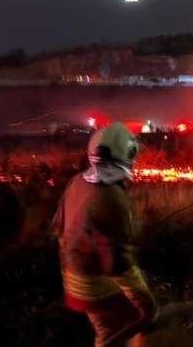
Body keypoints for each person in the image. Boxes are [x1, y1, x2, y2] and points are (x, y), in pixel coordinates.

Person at [51, 122, 157, 347]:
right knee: (125, 326)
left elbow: (58, 229)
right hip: (94, 286)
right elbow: (115, 264)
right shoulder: (112, 198)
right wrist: (144, 300)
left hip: (73, 277)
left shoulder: (78, 181)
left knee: (107, 331)